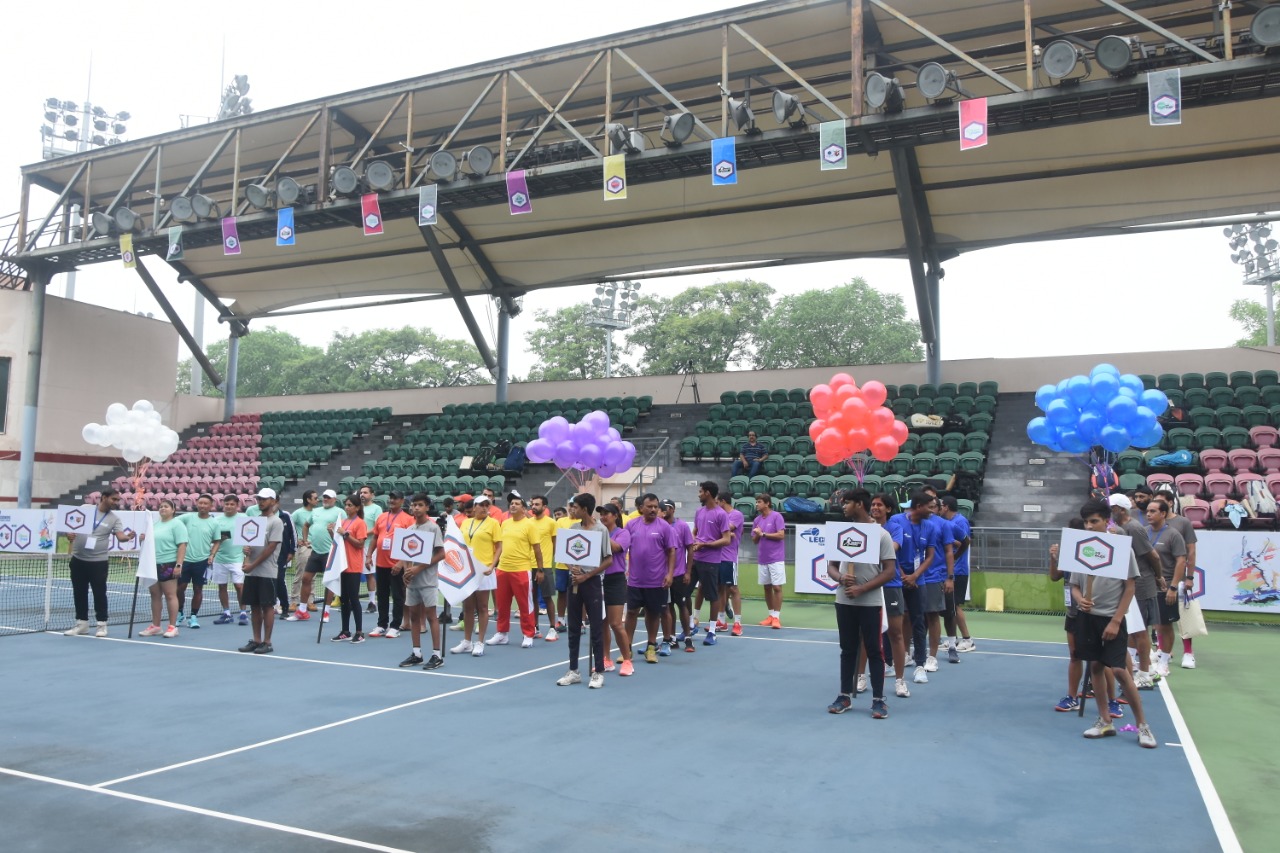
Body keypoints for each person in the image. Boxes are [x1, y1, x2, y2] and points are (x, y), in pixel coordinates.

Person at [1070, 499, 1157, 748]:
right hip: (1088, 619)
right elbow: (1074, 585)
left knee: (1119, 670)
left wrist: (1116, 620)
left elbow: (1130, 586)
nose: (1089, 526)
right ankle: (1105, 721)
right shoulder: (1081, 547)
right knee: (1096, 667)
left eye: (1094, 521)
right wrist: (1079, 601)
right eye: (1086, 522)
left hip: (1112, 619)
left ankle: (1143, 725)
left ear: (1106, 521)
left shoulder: (1121, 549)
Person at [826, 489, 896, 719]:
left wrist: (863, 588)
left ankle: (878, 700)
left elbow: (889, 571)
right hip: (844, 600)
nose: (843, 506)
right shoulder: (841, 532)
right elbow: (831, 566)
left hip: (870, 602)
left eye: (847, 503)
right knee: (847, 649)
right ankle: (844, 695)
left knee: (875, 651)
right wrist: (840, 578)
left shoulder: (881, 535)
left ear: (859, 504)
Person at [555, 493, 612, 689]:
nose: (572, 510)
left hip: (592, 582)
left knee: (596, 628)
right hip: (574, 582)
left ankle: (598, 672)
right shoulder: (573, 528)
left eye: (575, 507)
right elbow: (564, 554)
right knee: (573, 626)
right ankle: (573, 670)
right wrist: (573, 569)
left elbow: (608, 559)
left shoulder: (600, 530)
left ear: (585, 509)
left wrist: (586, 575)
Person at [64, 489, 138, 637]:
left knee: (99, 594)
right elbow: (71, 525)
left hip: (98, 562)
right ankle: (82, 624)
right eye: (114, 499)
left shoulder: (114, 519)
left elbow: (121, 537)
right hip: (78, 560)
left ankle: (101, 625)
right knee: (79, 593)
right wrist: (69, 533)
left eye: (118, 500)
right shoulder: (85, 509)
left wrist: (128, 537)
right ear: (104, 498)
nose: (116, 503)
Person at [1109, 493, 1162, 689]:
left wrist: (1159, 577)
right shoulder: (1119, 529)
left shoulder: (1133, 528)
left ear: (1121, 509)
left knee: (1140, 631)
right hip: (1129, 584)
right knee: (1131, 628)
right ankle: (1136, 669)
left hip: (1141, 585)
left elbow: (1153, 556)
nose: (1110, 510)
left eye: (1112, 507)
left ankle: (1146, 673)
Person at [891, 493, 939, 684]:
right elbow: (891, 551)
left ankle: (920, 666)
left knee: (919, 622)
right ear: (918, 506)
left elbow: (930, 556)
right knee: (893, 623)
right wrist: (903, 575)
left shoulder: (931, 526)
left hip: (919, 581)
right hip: (896, 580)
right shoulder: (896, 521)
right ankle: (890, 662)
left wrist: (915, 576)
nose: (933, 510)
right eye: (930, 507)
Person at [625, 493, 677, 664]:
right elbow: (623, 548)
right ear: (641, 508)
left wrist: (669, 574)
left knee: (653, 614)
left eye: (656, 506)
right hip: (634, 580)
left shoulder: (664, 527)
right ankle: (627, 650)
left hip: (657, 580)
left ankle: (651, 647)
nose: (654, 509)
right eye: (650, 506)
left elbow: (671, 551)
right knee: (631, 612)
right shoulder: (631, 525)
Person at [487, 494, 545, 648]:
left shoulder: (530, 525)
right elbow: (498, 546)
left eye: (517, 503)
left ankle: (528, 634)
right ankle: (502, 633)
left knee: (525, 604)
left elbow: (537, 550)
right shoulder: (504, 524)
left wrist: (540, 570)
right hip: (503, 569)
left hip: (521, 570)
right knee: (502, 604)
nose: (512, 505)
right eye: (511, 503)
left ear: (524, 508)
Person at [398, 493, 447, 670]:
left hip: (427, 581)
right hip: (413, 582)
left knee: (431, 616)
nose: (416, 508)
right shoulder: (409, 530)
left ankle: (437, 655)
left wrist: (419, 568)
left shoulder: (433, 528)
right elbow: (405, 555)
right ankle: (417, 653)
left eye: (420, 505)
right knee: (413, 617)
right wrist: (406, 571)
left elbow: (441, 554)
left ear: (427, 507)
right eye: (414, 505)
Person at [1153, 486, 1200, 669]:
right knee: (1159, 618)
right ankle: (1162, 649)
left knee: (1183, 616)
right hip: (1158, 579)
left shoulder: (1183, 523)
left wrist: (1189, 577)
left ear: (1170, 504)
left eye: (1160, 501)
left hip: (1178, 578)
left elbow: (1191, 551)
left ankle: (1188, 652)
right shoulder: (1152, 526)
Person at [870, 493, 910, 698]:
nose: (875, 507)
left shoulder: (895, 528)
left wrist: (867, 544)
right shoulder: (864, 527)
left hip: (891, 584)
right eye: (873, 504)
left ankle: (900, 681)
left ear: (888, 509)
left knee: (895, 633)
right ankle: (860, 677)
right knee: (865, 635)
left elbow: (891, 549)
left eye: (879, 505)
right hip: (869, 584)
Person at [1144, 497, 1187, 679]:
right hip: (1146, 586)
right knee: (1145, 624)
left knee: (1164, 625)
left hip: (1166, 586)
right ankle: (1146, 659)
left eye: (1153, 511)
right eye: (1147, 511)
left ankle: (1164, 662)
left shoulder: (1173, 534)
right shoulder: (1144, 533)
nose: (1148, 514)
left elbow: (1181, 561)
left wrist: (1173, 587)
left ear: (1163, 513)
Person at [1049, 518, 1087, 712]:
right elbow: (1055, 576)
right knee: (1074, 655)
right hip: (1072, 611)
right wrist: (1053, 559)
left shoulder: (1092, 550)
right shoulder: (1066, 551)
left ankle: (1110, 699)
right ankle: (1072, 697)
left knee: (1099, 660)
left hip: (1092, 611)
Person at [239, 490, 284, 654]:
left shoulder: (276, 522)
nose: (261, 502)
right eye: (259, 499)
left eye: (264, 499)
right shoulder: (255, 521)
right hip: (252, 572)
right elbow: (249, 543)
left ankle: (267, 642)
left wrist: (253, 565)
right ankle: (256, 640)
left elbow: (271, 548)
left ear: (273, 501)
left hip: (267, 572)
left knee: (267, 607)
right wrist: (246, 551)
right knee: (255, 607)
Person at [290, 489, 342, 622]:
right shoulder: (316, 511)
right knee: (306, 578)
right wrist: (306, 540)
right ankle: (302, 610)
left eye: (328, 497)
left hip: (330, 553)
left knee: (329, 582)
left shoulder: (339, 512)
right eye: (324, 497)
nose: (325, 499)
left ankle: (326, 612)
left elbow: (345, 529)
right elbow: (306, 525)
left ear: (334, 499)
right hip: (315, 551)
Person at [456, 496, 500, 656]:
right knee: (468, 608)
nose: (483, 507)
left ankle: (479, 642)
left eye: (486, 505)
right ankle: (467, 642)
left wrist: (492, 565)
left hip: (484, 569)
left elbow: (499, 546)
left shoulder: (493, 523)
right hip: (467, 570)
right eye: (480, 505)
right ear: (474, 507)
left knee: (482, 607)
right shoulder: (466, 523)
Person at [917, 494, 955, 672]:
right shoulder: (912, 522)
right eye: (929, 506)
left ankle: (932, 657)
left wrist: (949, 577)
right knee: (912, 618)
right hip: (915, 576)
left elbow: (949, 551)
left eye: (934, 506)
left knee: (932, 616)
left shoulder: (944, 525)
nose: (932, 509)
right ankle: (915, 654)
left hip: (934, 576)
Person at [690, 481, 732, 645]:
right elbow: (695, 531)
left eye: (701, 491)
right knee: (685, 593)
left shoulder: (721, 514)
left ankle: (713, 632)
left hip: (711, 561)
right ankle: (691, 626)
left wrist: (705, 544)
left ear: (707, 493)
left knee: (712, 596)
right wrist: (694, 541)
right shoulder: (699, 511)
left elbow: (727, 539)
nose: (699, 494)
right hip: (695, 559)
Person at [369, 491, 414, 638]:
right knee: (381, 595)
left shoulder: (408, 519)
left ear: (402, 501)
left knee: (398, 596)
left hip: (396, 565)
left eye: (395, 498)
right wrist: (369, 555)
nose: (392, 500)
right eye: (390, 498)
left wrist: (401, 563)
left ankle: (395, 626)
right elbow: (375, 537)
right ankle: (382, 624)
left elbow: (411, 544)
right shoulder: (382, 517)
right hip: (381, 563)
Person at [140, 499, 188, 638]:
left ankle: (172, 627)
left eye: (166, 506)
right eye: (160, 507)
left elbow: (182, 545)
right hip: (152, 564)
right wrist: (143, 538)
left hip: (168, 564)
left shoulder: (177, 524)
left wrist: (179, 564)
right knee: (155, 595)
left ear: (173, 510)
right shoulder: (154, 525)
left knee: (170, 595)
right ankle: (156, 626)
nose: (162, 509)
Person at [176, 493, 220, 629]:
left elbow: (217, 541)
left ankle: (193, 617)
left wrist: (212, 554)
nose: (202, 506)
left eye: (206, 503)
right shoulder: (187, 517)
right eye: (200, 503)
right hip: (184, 560)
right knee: (180, 588)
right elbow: (172, 522)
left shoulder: (214, 522)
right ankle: (180, 613)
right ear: (197, 503)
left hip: (202, 562)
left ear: (211, 506)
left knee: (198, 589)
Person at [600, 502, 635, 672]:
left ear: (615, 515)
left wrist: (599, 533)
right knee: (602, 623)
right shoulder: (598, 531)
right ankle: (606, 659)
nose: (603, 516)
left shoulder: (623, 533)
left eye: (607, 513)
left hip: (615, 580)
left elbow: (616, 548)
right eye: (601, 514)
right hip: (598, 580)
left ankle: (627, 660)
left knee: (615, 623)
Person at [938, 496, 974, 659]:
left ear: (945, 507)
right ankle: (956, 638)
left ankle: (968, 639)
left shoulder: (959, 522)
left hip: (958, 570)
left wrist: (954, 557)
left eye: (940, 505)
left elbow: (965, 542)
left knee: (955, 605)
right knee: (950, 606)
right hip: (951, 569)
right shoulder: (949, 522)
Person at [659, 499, 696, 655]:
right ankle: (672, 638)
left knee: (682, 605)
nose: (662, 510)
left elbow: (690, 549)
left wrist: (688, 572)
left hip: (679, 574)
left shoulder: (682, 526)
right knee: (667, 607)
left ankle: (688, 637)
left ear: (672, 509)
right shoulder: (659, 526)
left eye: (665, 508)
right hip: (663, 575)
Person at [332, 494, 369, 643]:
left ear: (357, 507)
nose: (347, 507)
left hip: (353, 566)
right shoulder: (344, 522)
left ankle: (359, 632)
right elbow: (339, 542)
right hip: (342, 566)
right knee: (343, 600)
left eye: (350, 505)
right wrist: (332, 532)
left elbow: (360, 544)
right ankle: (345, 630)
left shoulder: (360, 523)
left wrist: (345, 534)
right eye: (346, 505)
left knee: (354, 599)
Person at [210, 495, 249, 626]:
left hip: (237, 558)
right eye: (227, 504)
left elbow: (251, 536)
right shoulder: (216, 520)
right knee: (222, 586)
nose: (229, 506)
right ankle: (226, 613)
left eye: (232, 504)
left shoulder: (244, 518)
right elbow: (212, 538)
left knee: (239, 586)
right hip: (220, 558)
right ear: (223, 505)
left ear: (237, 505)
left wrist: (247, 557)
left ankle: (243, 612)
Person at [751, 492, 786, 629]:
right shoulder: (757, 520)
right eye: (756, 502)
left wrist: (763, 533)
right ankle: (770, 615)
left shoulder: (777, 516)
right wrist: (758, 534)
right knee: (766, 587)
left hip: (776, 558)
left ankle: (777, 617)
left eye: (759, 502)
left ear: (767, 503)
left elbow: (781, 535)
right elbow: (754, 540)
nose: (756, 504)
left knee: (776, 587)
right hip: (762, 558)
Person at [527, 494, 559, 640]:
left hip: (544, 566)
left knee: (547, 598)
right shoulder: (528, 522)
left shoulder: (551, 523)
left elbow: (555, 544)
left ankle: (552, 628)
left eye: (537, 504)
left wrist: (548, 563)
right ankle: (535, 627)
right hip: (528, 565)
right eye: (533, 504)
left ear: (544, 507)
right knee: (532, 598)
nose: (534, 506)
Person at [715, 493, 745, 636]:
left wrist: (723, 532)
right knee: (720, 589)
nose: (715, 505)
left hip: (729, 557)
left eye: (717, 502)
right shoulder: (719, 515)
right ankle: (721, 621)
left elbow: (726, 529)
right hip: (716, 557)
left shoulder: (736, 514)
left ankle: (738, 623)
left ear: (723, 501)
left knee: (733, 589)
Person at [287, 489, 317, 613]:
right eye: (315, 498)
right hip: (303, 548)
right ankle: (294, 601)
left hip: (316, 547)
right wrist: (296, 541)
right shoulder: (298, 513)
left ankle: (310, 601)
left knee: (313, 576)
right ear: (308, 500)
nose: (317, 500)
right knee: (300, 575)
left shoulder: (317, 513)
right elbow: (289, 528)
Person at [551, 502, 577, 632]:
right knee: (562, 592)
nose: (572, 508)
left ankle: (581, 622)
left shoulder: (583, 521)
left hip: (579, 566)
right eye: (570, 506)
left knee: (578, 594)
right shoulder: (560, 521)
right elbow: (559, 541)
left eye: (575, 506)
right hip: (562, 565)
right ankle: (561, 620)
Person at [359, 485, 383, 614]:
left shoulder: (376, 509)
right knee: (353, 573)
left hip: (370, 546)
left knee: (369, 573)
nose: (362, 494)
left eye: (365, 492)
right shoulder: (357, 508)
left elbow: (377, 528)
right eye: (361, 492)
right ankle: (352, 601)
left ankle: (372, 602)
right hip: (356, 545)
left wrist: (361, 535)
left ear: (372, 495)